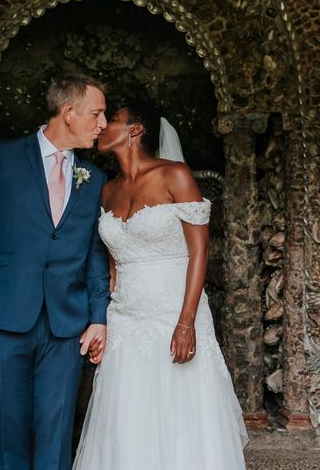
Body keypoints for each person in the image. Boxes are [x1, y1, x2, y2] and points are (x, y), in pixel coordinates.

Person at [73, 104, 249, 470]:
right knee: (127, 416)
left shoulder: (175, 175)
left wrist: (186, 322)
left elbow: (200, 250)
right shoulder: (106, 190)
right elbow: (111, 263)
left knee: (180, 413)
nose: (103, 127)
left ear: (135, 130)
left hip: (174, 312)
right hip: (125, 317)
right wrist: (103, 317)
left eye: (113, 121)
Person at [0, 74, 111, 470]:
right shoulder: (1, 157)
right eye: (97, 113)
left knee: (57, 435)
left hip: (67, 324)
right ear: (68, 113)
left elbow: (94, 254)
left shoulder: (95, 179)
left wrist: (99, 318)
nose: (103, 124)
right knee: (9, 431)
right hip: (3, 315)